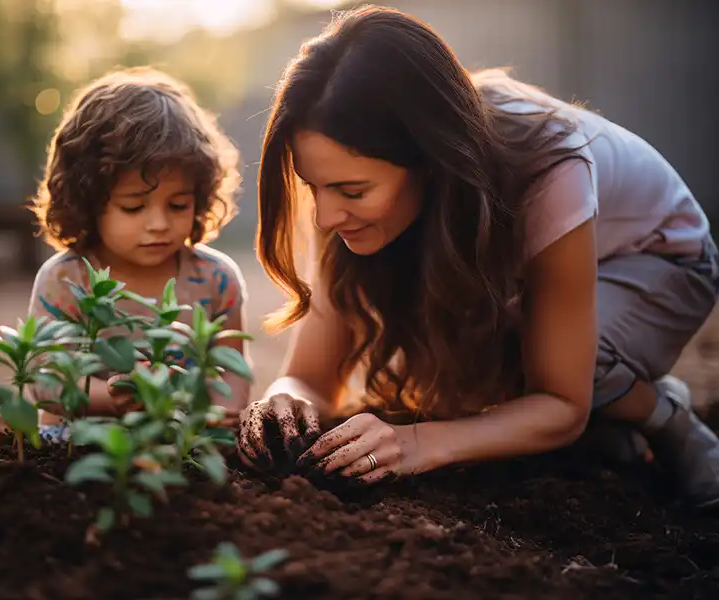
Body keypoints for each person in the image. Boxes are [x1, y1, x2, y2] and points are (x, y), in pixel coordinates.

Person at [236, 5, 719, 509]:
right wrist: (284, 401)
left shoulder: (549, 164)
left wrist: (414, 444)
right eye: (314, 188)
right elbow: (312, 375)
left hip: (660, 264)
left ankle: (665, 415)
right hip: (531, 282)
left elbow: (561, 403)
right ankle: (606, 430)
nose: (325, 218)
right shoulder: (351, 194)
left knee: (567, 364)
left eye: (351, 191)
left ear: (431, 161)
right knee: (472, 361)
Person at [27, 67, 251, 443]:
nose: (159, 224)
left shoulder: (217, 279)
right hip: (76, 448)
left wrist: (225, 410)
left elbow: (233, 365)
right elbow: (46, 383)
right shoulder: (67, 280)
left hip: (182, 446)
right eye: (134, 207)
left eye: (178, 204)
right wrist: (113, 400)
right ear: (88, 200)